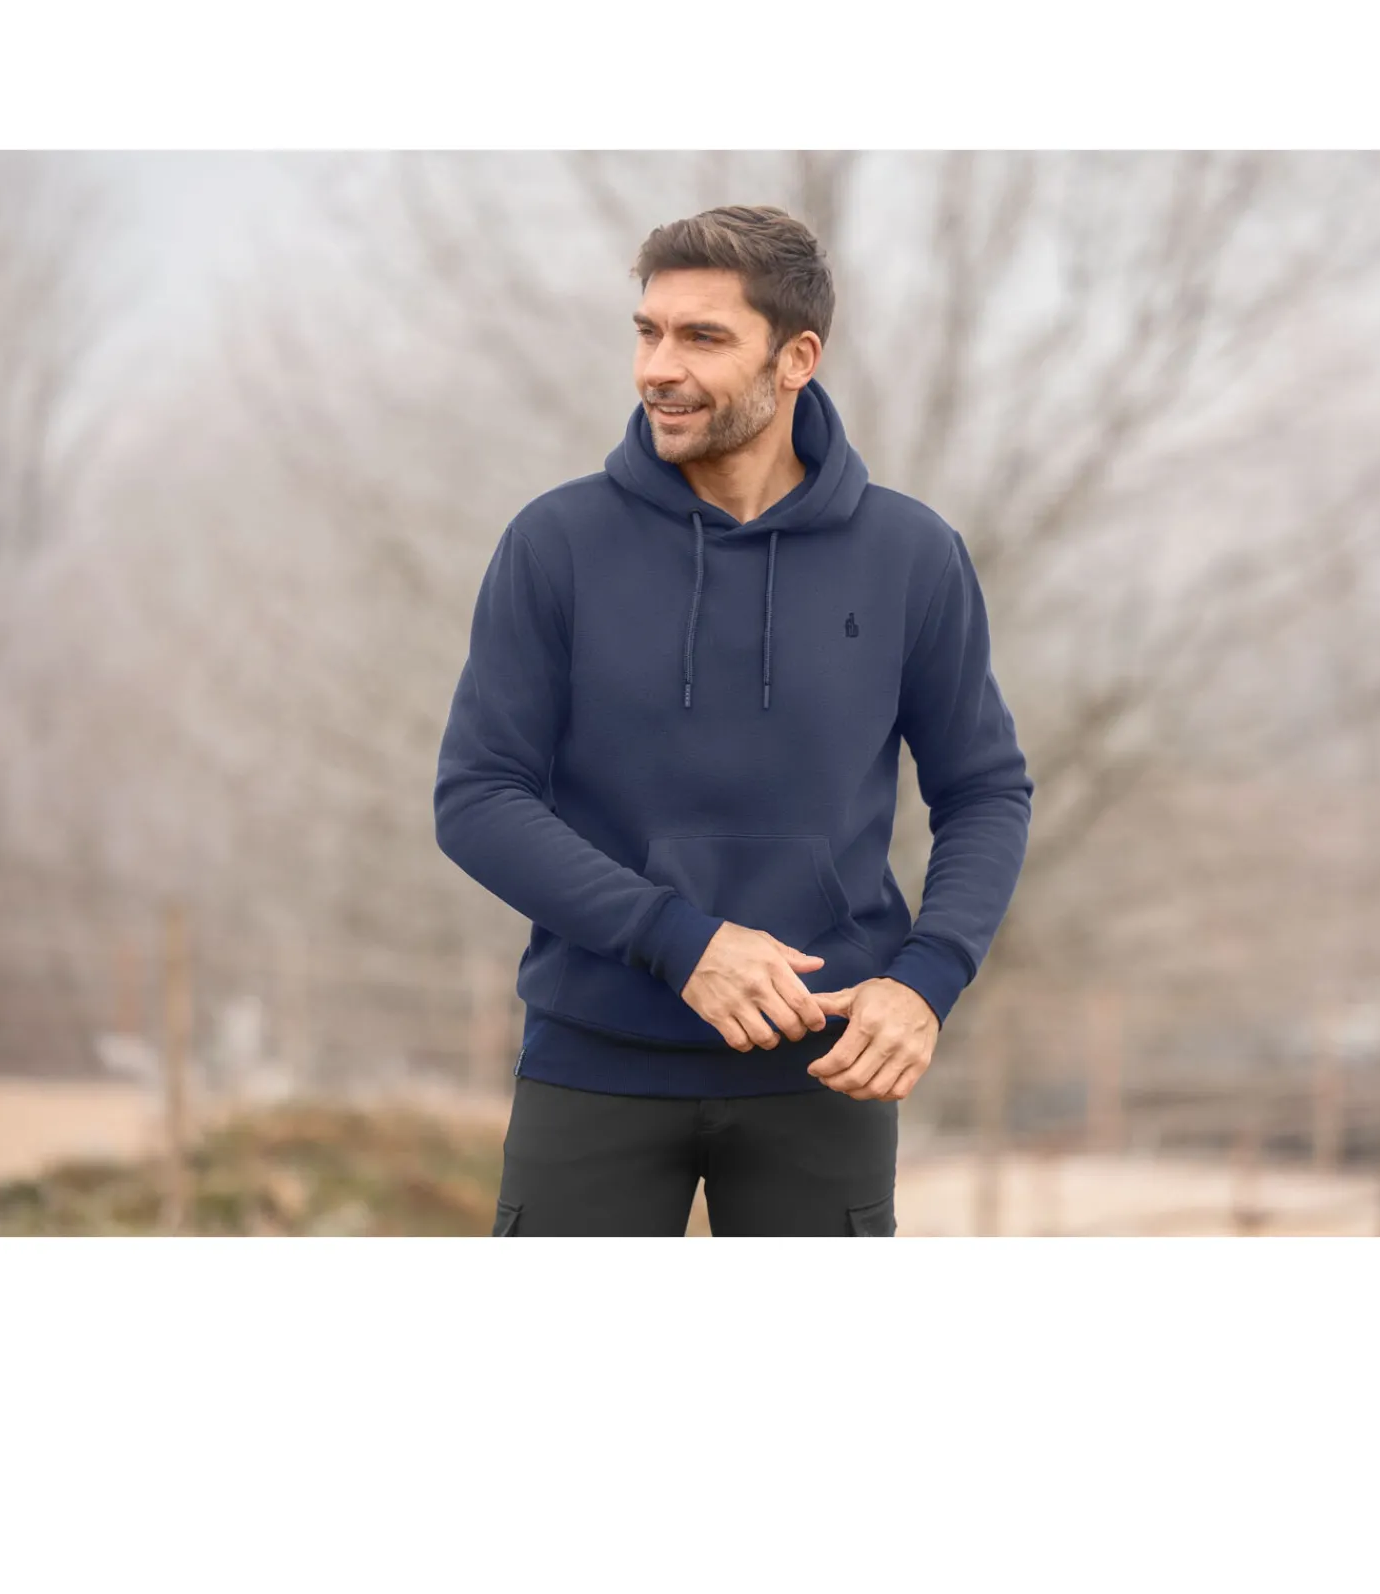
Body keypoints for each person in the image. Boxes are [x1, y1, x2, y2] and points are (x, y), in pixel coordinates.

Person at [434, 203, 1033, 1235]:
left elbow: (984, 790)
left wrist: (925, 982)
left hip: (826, 1069)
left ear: (796, 358)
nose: (658, 369)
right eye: (648, 332)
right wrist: (679, 941)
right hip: (594, 1060)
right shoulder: (556, 543)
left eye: (702, 338)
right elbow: (477, 798)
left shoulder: (909, 555)